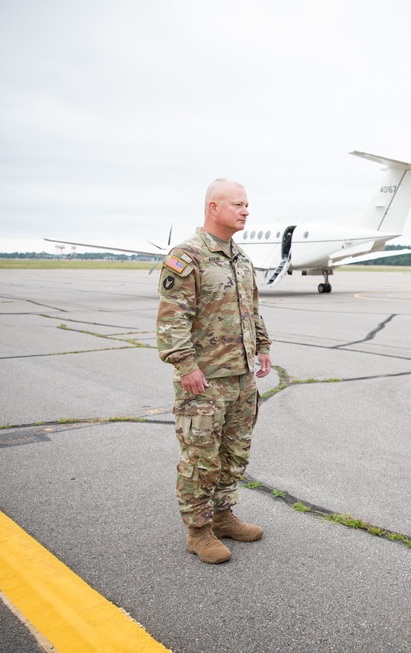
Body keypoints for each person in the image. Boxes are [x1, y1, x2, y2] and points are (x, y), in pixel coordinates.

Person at [157, 178, 273, 565]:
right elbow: (173, 319)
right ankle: (198, 531)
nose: (245, 211)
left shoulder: (239, 258)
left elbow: (251, 310)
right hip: (204, 381)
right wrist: (186, 365)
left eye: (247, 205)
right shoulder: (187, 256)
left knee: (234, 454)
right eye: (238, 204)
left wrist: (264, 348)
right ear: (214, 208)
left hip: (240, 377)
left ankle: (223, 517)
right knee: (201, 459)